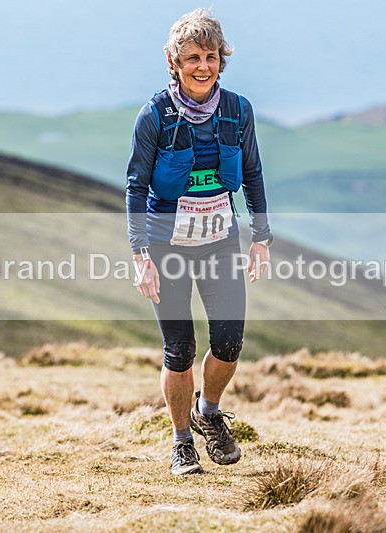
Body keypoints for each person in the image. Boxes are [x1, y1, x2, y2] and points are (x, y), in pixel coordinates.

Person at [125, 8, 273, 475]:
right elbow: (135, 185)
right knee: (180, 349)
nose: (202, 66)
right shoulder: (153, 116)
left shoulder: (238, 110)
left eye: (211, 56)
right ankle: (181, 440)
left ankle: (208, 412)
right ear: (174, 61)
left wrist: (261, 238)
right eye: (192, 57)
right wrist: (140, 255)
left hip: (221, 241)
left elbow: (251, 173)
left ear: (222, 60)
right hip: (166, 244)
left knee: (230, 342)